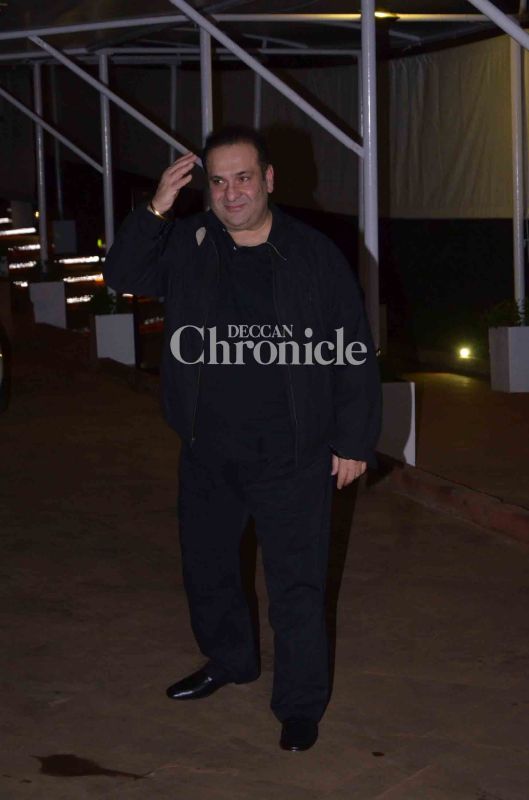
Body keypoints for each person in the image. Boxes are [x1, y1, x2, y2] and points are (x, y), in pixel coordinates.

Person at [104, 126, 381, 752]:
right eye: (219, 181)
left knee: (297, 585)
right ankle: (231, 660)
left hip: (293, 455)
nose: (231, 193)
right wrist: (155, 209)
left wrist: (354, 441)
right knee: (209, 571)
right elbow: (122, 274)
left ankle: (300, 705)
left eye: (244, 178)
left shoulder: (313, 254)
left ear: (269, 179)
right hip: (209, 450)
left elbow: (354, 348)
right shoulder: (191, 242)